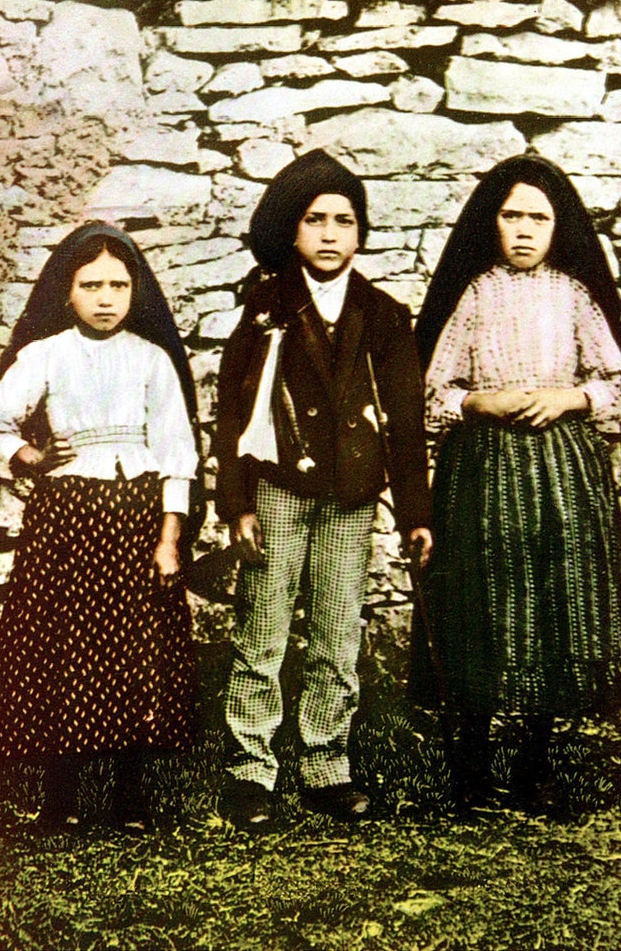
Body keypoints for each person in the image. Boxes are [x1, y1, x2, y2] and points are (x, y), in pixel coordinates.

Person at [411, 154, 621, 806]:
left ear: (557, 227)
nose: (523, 229)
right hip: (485, 470)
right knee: (486, 598)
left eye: (537, 218)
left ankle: (536, 760)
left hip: (560, 469)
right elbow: (435, 388)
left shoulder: (572, 295)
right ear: (492, 224)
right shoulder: (478, 293)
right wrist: (477, 404)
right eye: (511, 215)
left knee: (553, 598)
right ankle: (475, 759)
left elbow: (618, 380)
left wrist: (571, 400)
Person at [215, 149, 432, 829]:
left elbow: (405, 417)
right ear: (294, 232)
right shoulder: (267, 307)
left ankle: (325, 762)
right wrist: (238, 501)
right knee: (264, 624)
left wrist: (415, 512)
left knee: (338, 629)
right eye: (316, 220)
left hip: (353, 494)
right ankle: (250, 769)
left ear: (361, 233)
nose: (331, 233)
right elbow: (233, 409)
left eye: (345, 220)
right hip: (279, 487)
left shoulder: (385, 314)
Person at [0, 221, 203, 833]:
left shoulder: (152, 361)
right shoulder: (44, 355)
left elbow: (177, 451)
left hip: (137, 517)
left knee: (132, 649)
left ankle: (128, 795)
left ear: (135, 293)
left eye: (118, 286)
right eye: (91, 284)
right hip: (65, 519)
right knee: (63, 646)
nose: (105, 298)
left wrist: (169, 538)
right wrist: (30, 458)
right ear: (66, 292)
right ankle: (61, 796)